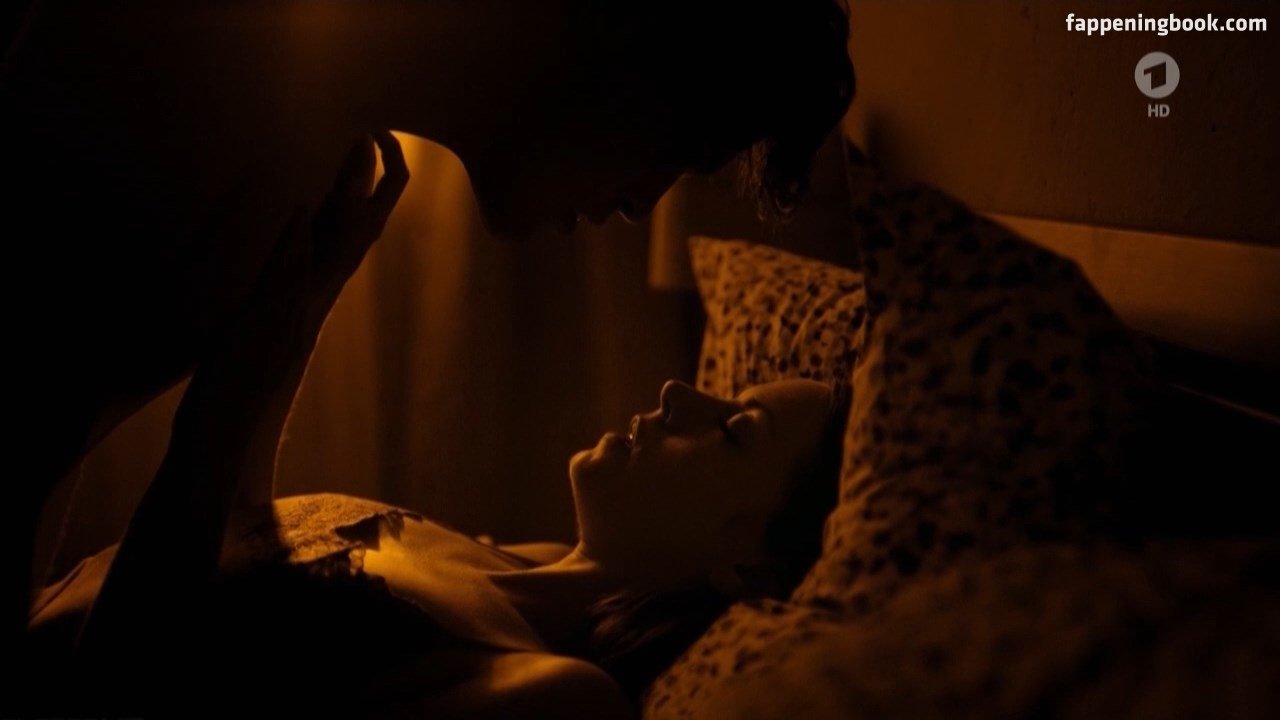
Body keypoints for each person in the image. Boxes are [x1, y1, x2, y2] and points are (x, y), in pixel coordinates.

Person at [7, 0, 855, 651]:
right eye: (679, 147)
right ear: (626, 62)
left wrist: (286, 326)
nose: (643, 203)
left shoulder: (294, 128)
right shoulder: (217, 89)